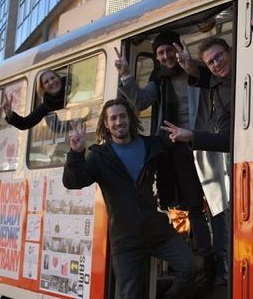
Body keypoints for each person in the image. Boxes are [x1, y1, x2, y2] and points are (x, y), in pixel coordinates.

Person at [63, 98, 201, 298]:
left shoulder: (152, 144)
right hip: (125, 240)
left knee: (190, 267)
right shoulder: (99, 156)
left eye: (122, 116)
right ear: (106, 124)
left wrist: (186, 135)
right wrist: (75, 154)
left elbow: (176, 150)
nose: (118, 122)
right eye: (113, 118)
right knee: (130, 295)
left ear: (130, 118)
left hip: (158, 231)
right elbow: (73, 182)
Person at [115, 33, 214, 264]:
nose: (166, 56)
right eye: (160, 53)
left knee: (201, 203)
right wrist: (126, 75)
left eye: (169, 50)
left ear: (178, 48)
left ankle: (206, 255)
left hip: (200, 142)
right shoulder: (159, 77)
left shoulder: (196, 70)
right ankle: (183, 256)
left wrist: (190, 65)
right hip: (171, 148)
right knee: (176, 203)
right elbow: (141, 101)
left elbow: (203, 78)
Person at [162, 37, 235, 284]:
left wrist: (192, 135)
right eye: (211, 61)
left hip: (207, 145)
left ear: (231, 51)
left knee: (219, 206)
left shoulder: (222, 80)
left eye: (219, 57)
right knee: (204, 207)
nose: (216, 64)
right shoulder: (162, 80)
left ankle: (223, 268)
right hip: (190, 146)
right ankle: (212, 266)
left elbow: (200, 74)